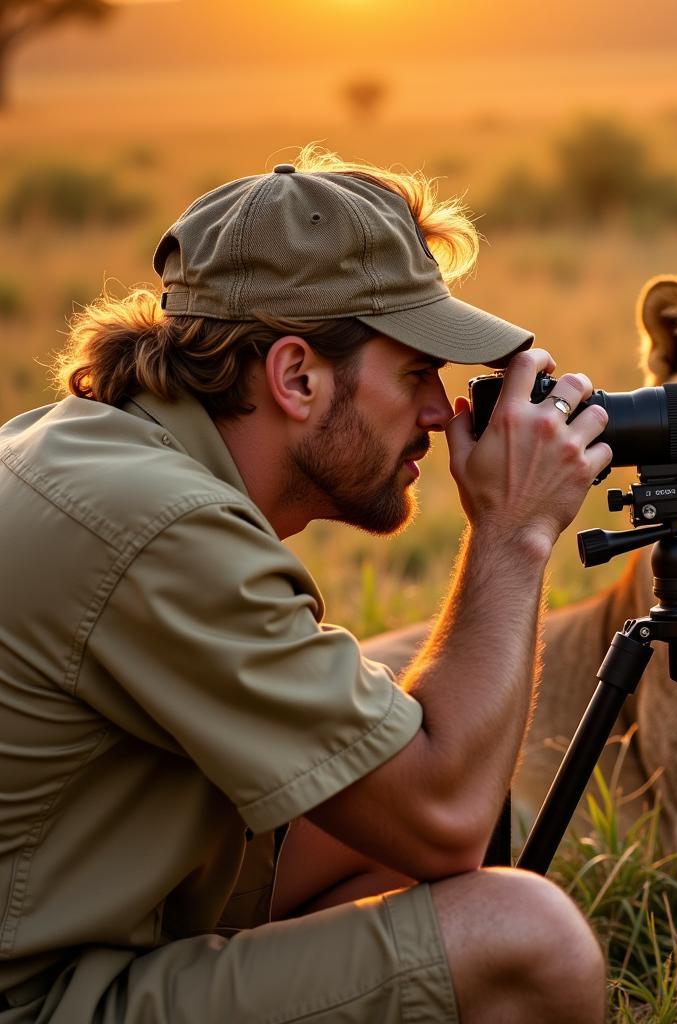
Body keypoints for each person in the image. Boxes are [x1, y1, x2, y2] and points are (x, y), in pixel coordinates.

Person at [0, 147, 613, 1023]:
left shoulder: (85, 448)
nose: (441, 413)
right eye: (415, 374)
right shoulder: (164, 530)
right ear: (295, 376)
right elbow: (447, 816)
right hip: (36, 999)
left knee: (366, 822)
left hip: (71, 923)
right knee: (526, 939)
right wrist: (514, 536)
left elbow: (408, 810)